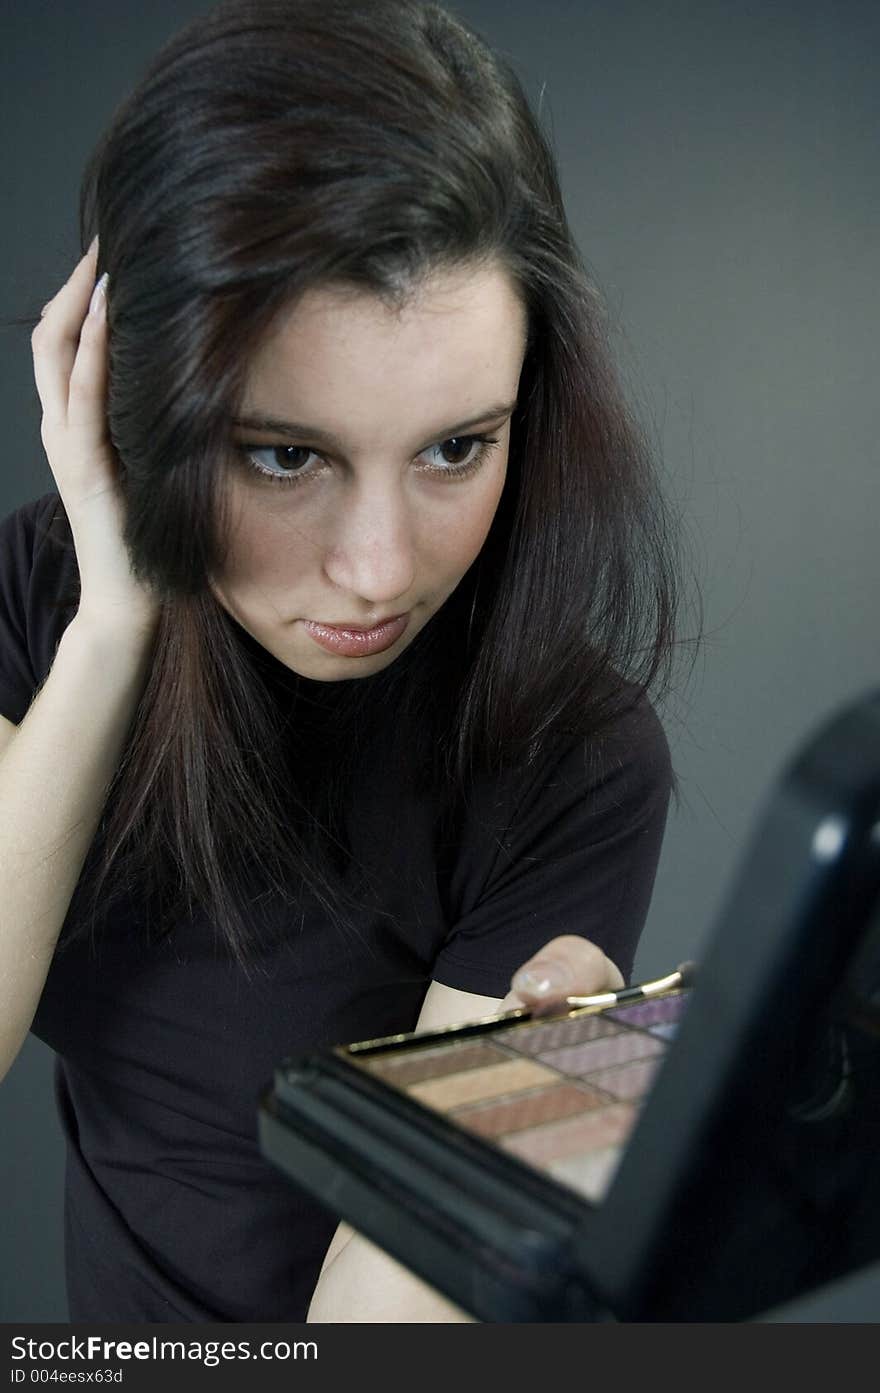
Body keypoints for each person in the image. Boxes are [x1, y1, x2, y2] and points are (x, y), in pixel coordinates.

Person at [0, 0, 685, 1322]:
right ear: (138, 402)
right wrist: (115, 626)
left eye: (453, 448)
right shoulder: (34, 604)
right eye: (284, 454)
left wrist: (515, 1149)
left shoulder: (571, 759)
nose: (380, 569)